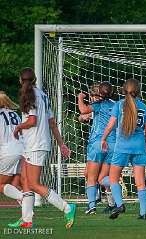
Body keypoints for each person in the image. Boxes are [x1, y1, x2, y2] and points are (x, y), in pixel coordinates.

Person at [9, 67, 76, 229]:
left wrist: (18, 127)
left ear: (20, 80)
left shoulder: (31, 95)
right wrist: (61, 144)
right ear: (35, 79)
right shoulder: (43, 95)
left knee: (33, 183)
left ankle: (67, 207)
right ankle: (26, 219)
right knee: (25, 181)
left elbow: (32, 121)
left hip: (35, 144)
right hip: (34, 143)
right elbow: (51, 123)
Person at [101, 78, 146, 220]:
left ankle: (120, 204)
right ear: (138, 91)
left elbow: (111, 125)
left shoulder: (119, 105)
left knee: (113, 178)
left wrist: (103, 138)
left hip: (122, 147)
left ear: (123, 90)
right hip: (139, 147)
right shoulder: (144, 107)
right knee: (141, 182)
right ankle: (143, 213)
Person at [78, 82, 116, 214]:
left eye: (93, 95)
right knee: (100, 177)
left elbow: (83, 111)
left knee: (91, 177)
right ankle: (113, 190)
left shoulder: (98, 105)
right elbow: (84, 116)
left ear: (98, 95)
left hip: (98, 144)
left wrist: (79, 98)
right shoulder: (116, 105)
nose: (92, 98)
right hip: (113, 145)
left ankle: (92, 205)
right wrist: (84, 117)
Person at [0, 91, 24, 202]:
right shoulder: (14, 114)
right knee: (15, 184)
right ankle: (27, 213)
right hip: (22, 149)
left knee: (1, 184)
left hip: (9, 151)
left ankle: (24, 199)